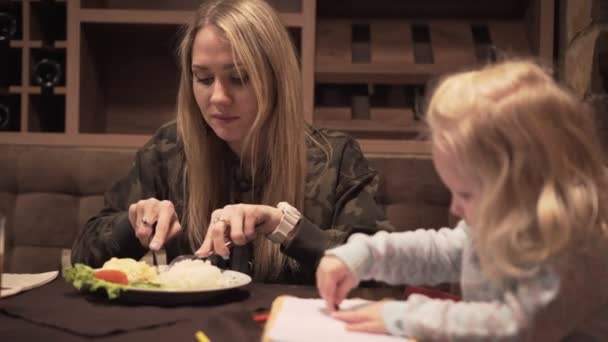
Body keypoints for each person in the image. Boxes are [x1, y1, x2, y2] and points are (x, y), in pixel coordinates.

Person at [71, 0, 393, 284]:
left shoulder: (335, 158)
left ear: (276, 79)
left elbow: (383, 265)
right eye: (204, 78)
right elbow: (83, 255)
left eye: (239, 78)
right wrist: (133, 226)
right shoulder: (167, 151)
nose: (219, 98)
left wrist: (285, 226)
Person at [316, 60, 608, 340]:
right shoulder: (503, 218)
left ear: (526, 184)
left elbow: (518, 326)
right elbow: (441, 251)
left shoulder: (577, 246)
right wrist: (365, 255)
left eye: (466, 194)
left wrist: (408, 316)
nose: (455, 207)